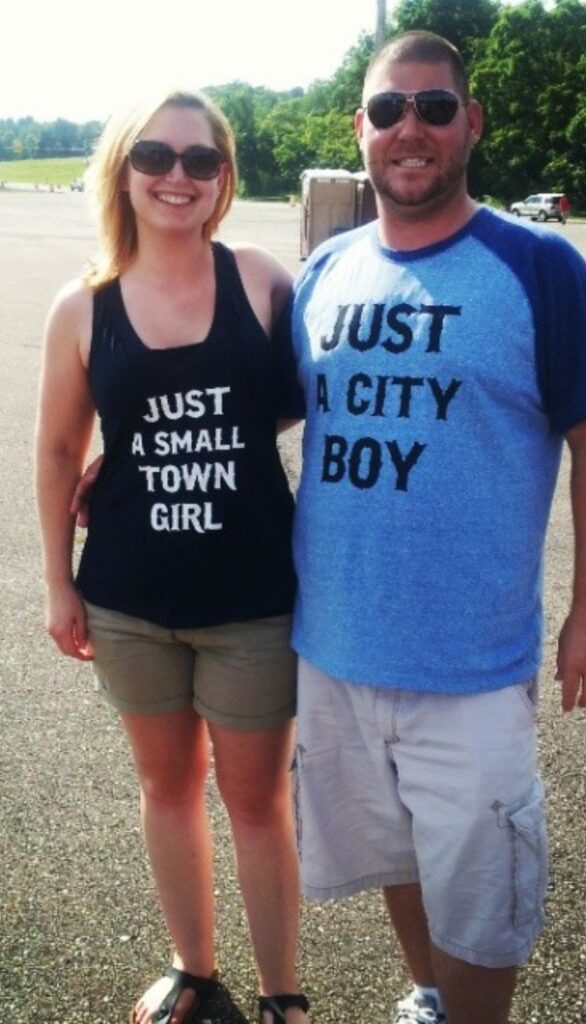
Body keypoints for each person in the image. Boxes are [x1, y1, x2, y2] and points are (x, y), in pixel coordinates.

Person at [289, 31, 586, 1024]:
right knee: (393, 855)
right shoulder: (325, 273)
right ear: (358, 128)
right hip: (334, 651)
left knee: (481, 894)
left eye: (433, 108)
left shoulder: (536, 265)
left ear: (469, 122)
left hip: (471, 668)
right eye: (388, 109)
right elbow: (270, 404)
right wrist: (124, 448)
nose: (410, 128)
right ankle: (429, 995)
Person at [35, 88, 309, 1024]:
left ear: (224, 177)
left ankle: (282, 994)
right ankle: (196, 968)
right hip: (126, 600)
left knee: (258, 801)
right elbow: (54, 452)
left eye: (200, 160)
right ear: (122, 170)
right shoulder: (84, 305)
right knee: (165, 787)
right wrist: (57, 584)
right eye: (154, 157)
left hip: (251, 602)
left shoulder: (262, 279)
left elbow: (297, 397)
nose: (177, 177)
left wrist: (174, 432)